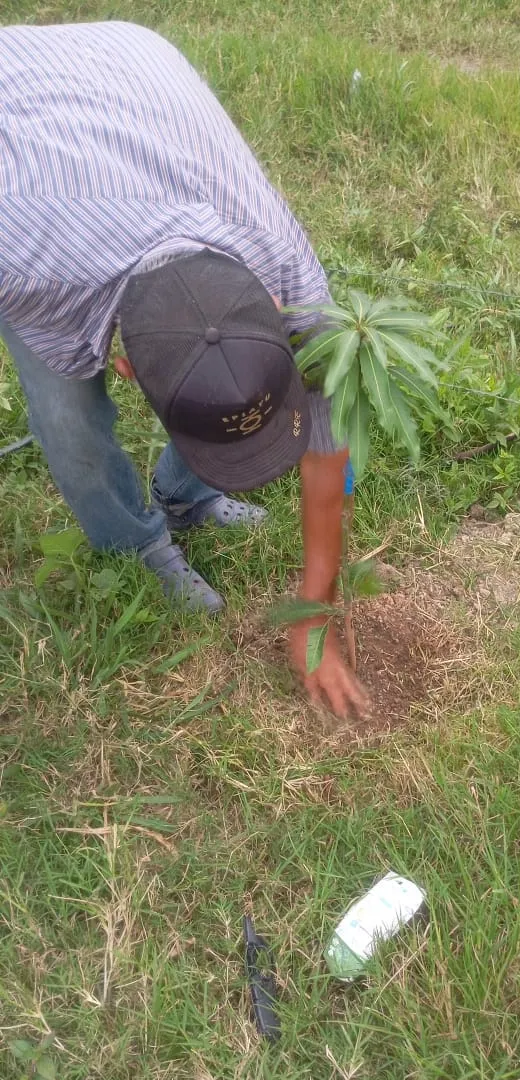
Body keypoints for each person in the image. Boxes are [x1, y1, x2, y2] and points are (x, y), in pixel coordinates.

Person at [0, 19, 368, 719]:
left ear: (270, 305)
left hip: (129, 62)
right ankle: (132, 543)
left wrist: (313, 606)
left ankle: (187, 496)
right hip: (22, 138)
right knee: (67, 413)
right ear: (131, 370)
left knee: (220, 393)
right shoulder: (22, 257)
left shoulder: (288, 271)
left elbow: (328, 435)